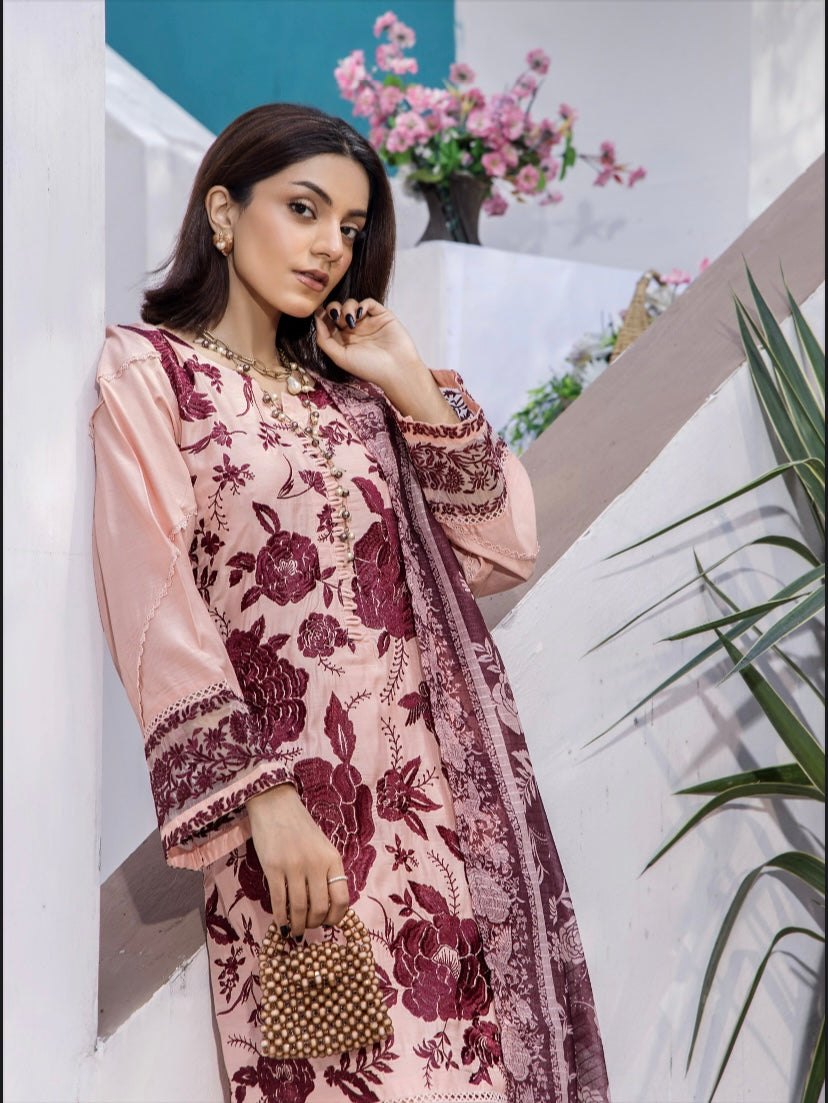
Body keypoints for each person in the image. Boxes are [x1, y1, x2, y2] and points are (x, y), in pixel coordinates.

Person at [91, 102, 609, 1103]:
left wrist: (406, 377)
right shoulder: (152, 372)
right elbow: (154, 601)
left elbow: (505, 544)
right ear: (224, 212)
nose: (332, 244)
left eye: (352, 224)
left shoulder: (358, 397)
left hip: (444, 825)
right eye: (304, 208)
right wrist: (262, 798)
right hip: (298, 835)